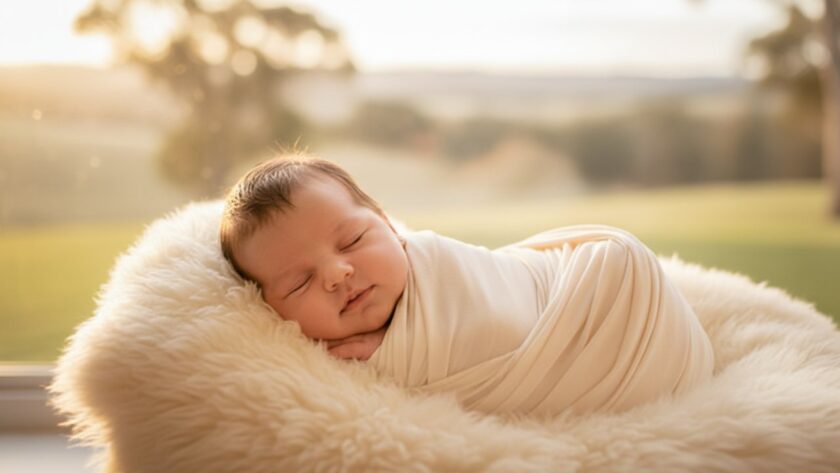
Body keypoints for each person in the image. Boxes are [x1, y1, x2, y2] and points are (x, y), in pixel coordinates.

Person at [220, 155, 714, 416]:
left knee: (619, 255)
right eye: (300, 282)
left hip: (613, 288)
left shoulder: (437, 263)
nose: (336, 274)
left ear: (391, 228)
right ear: (269, 310)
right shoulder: (321, 369)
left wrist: (394, 355)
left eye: (351, 239)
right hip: (617, 359)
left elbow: (499, 316)